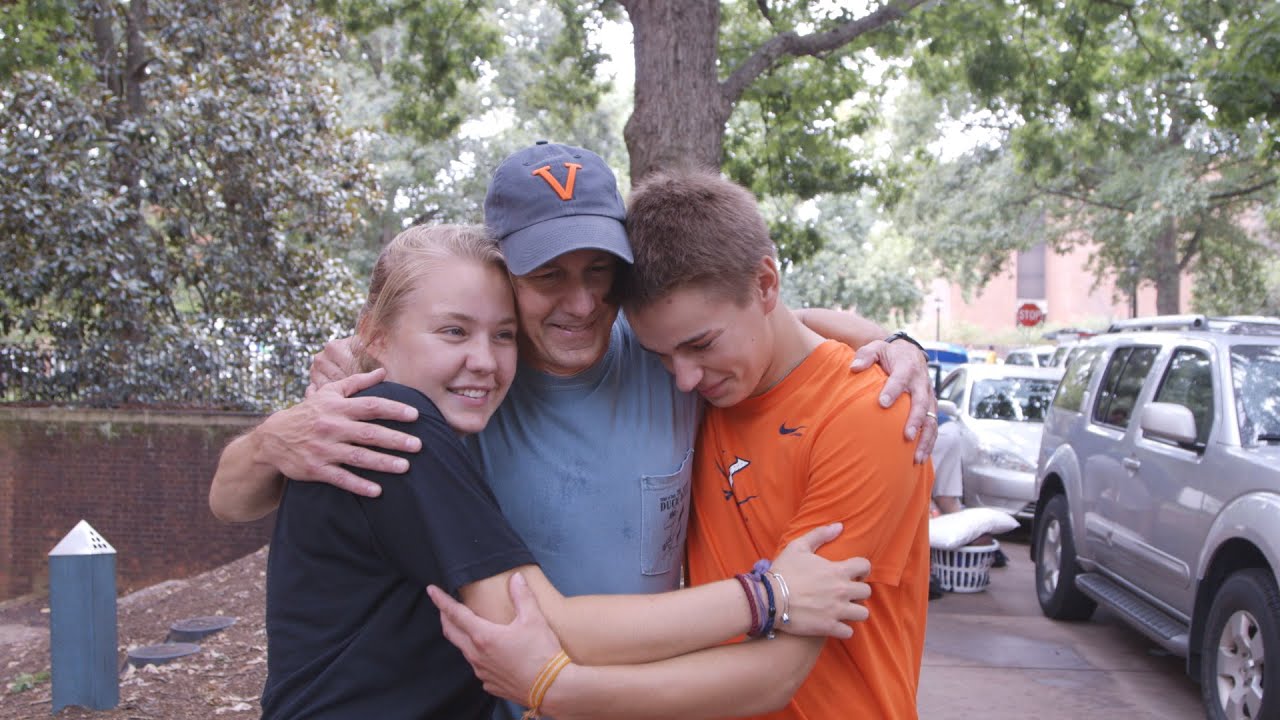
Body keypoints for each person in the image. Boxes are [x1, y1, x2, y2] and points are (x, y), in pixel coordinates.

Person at [208, 142, 938, 716]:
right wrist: (271, 438)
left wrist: (899, 345)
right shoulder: (465, 383)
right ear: (508, 278)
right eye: (548, 277)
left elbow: (769, 331)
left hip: (648, 705)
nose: (582, 303)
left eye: (600, 273)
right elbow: (231, 502)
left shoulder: (667, 358)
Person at [431, 169, 933, 719]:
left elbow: (778, 673)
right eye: (664, 355)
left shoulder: (874, 411)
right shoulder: (714, 383)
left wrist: (553, 687)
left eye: (699, 345)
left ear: (767, 285)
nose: (685, 379)